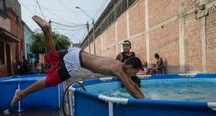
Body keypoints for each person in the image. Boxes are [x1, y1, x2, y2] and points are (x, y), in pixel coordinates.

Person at [11, 16, 144, 106]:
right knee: (49, 81)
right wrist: (145, 102)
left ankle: (47, 31)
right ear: (130, 66)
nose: (133, 75)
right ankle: (21, 93)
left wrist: (143, 95)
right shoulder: (119, 70)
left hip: (76, 51)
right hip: (74, 62)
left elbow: (133, 85)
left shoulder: (118, 64)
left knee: (51, 56)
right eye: (134, 71)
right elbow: (131, 89)